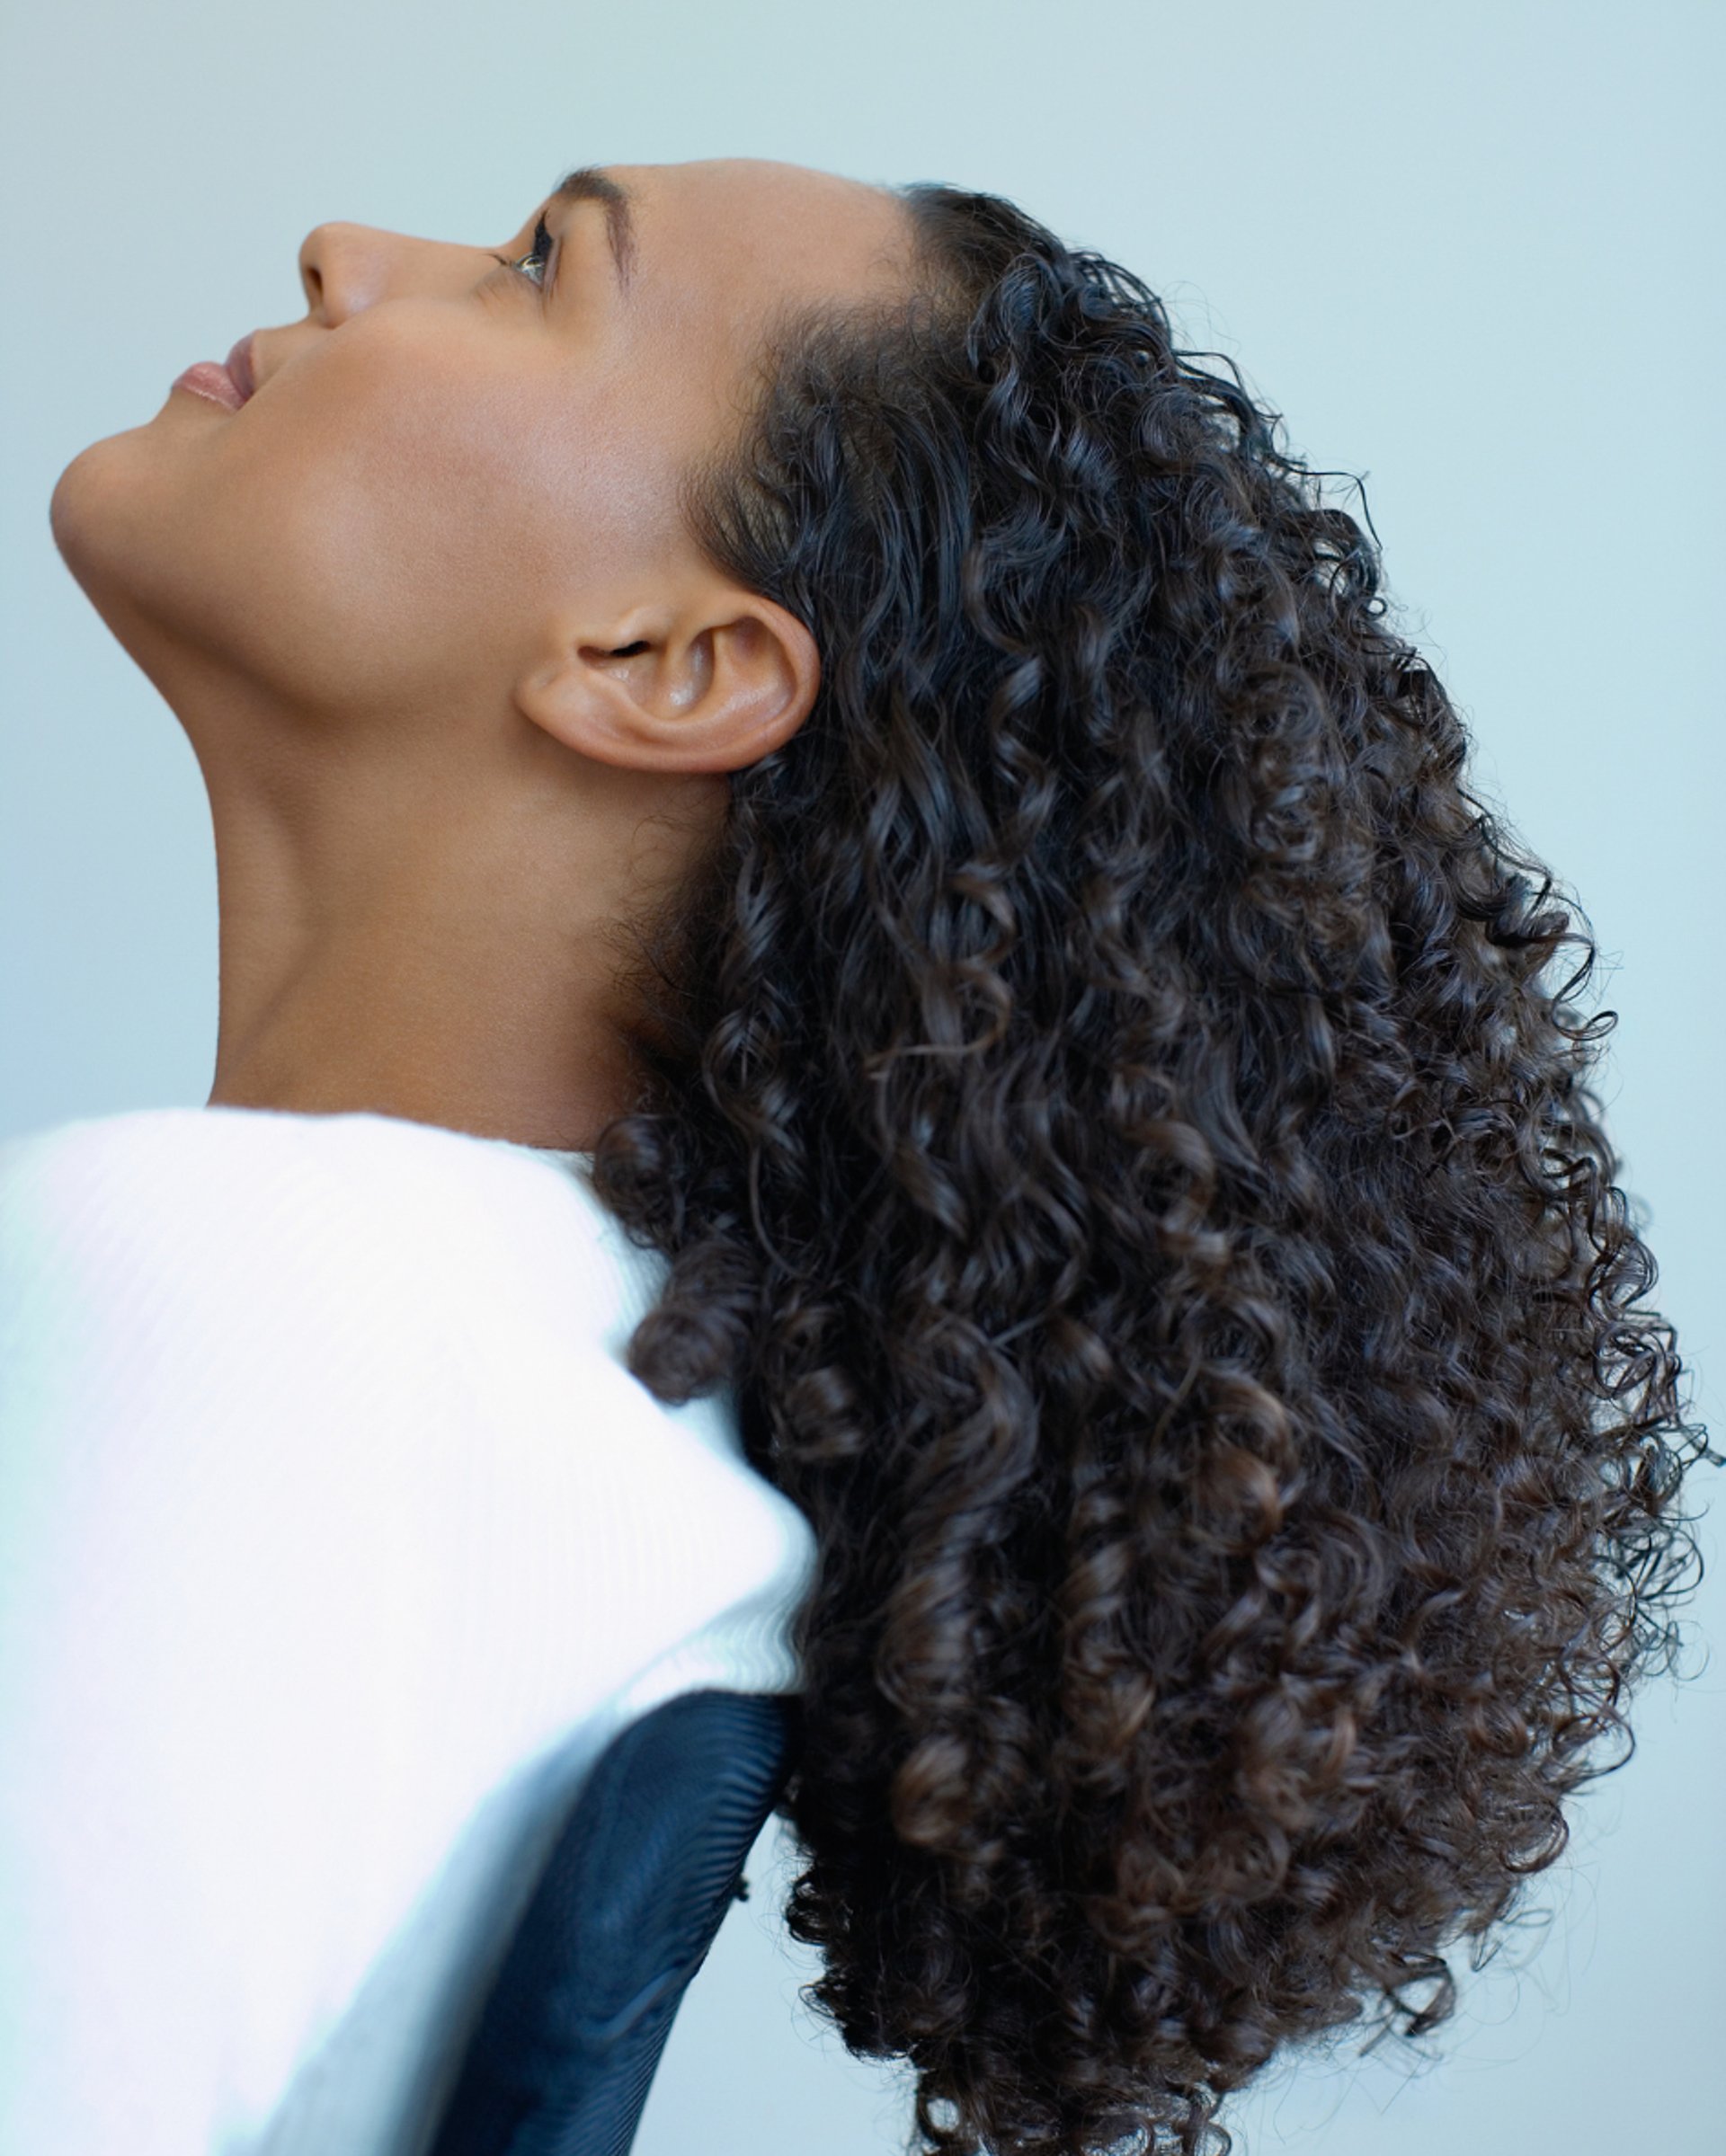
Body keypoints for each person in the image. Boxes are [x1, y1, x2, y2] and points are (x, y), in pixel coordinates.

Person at [3, 155, 1709, 2156]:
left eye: (543, 267)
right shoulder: (578, 1413)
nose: (347, 255)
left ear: (668, 662)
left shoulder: (223, 1306)